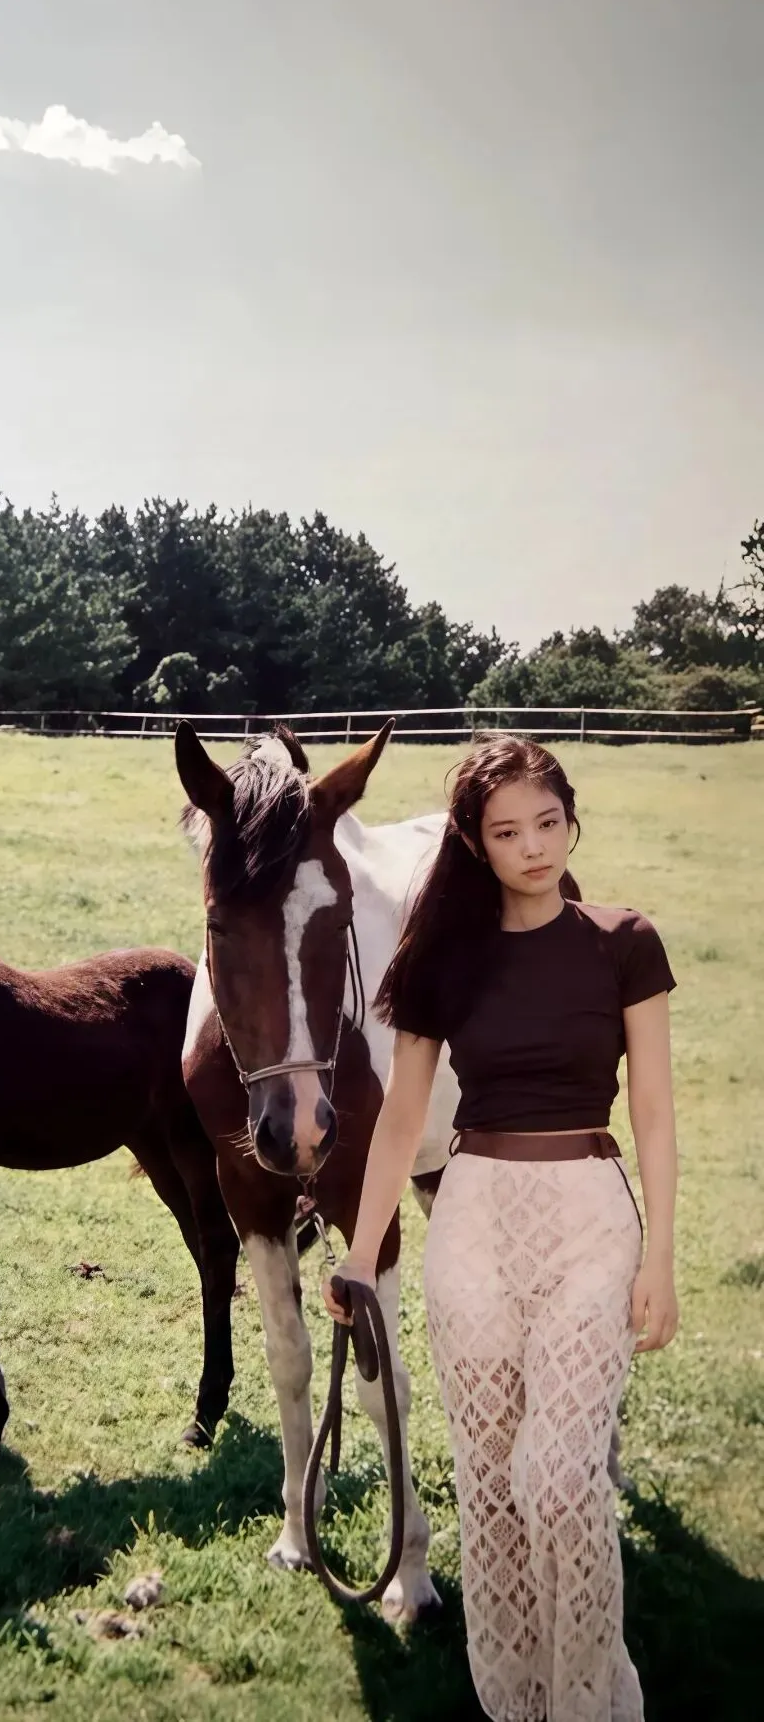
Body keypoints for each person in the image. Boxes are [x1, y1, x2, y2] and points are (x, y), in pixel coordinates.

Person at [323, 735, 678, 1722]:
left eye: (548, 823)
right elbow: (403, 1117)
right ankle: (516, 1701)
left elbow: (653, 1111)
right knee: (488, 1484)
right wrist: (359, 1256)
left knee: (558, 1479)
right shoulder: (442, 960)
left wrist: (661, 1257)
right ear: (476, 844)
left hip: (589, 1220)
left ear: (572, 822)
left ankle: (591, 1700)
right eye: (508, 831)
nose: (533, 847)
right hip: (473, 1221)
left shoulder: (625, 941)